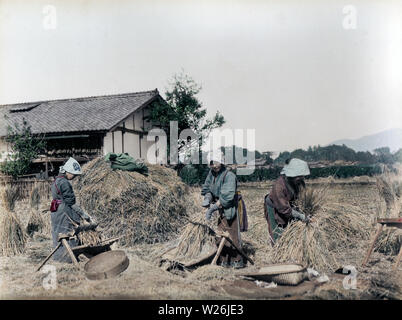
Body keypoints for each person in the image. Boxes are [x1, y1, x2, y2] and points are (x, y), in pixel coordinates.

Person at [201, 150, 244, 268]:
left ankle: (237, 261)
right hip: (219, 209)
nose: (214, 165)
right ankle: (224, 261)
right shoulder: (212, 174)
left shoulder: (229, 176)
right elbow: (207, 188)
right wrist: (208, 198)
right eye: (211, 163)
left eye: (216, 162)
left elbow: (227, 197)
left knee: (232, 234)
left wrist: (212, 209)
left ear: (221, 162)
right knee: (221, 234)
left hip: (229, 207)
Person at [50, 157, 92, 262]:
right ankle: (68, 259)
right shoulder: (64, 182)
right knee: (68, 233)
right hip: (64, 211)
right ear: (67, 171)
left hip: (56, 210)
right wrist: (83, 214)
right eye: (73, 174)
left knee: (58, 233)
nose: (74, 177)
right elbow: (71, 203)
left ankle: (59, 258)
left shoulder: (57, 180)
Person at [264, 158, 310, 245]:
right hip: (275, 207)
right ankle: (277, 249)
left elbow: (299, 196)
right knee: (277, 231)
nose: (301, 178)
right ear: (291, 175)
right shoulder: (279, 186)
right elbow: (284, 208)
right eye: (299, 176)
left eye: (302, 176)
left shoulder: (296, 182)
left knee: (288, 227)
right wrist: (301, 216)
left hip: (287, 205)